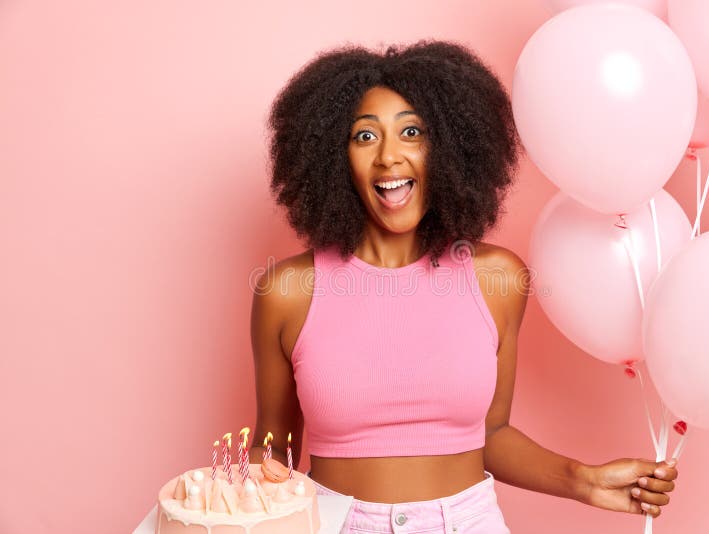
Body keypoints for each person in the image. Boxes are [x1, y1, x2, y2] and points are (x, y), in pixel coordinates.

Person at [248, 39, 678, 533]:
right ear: (332, 156)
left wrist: (583, 480)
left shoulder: (497, 279)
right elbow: (274, 447)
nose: (390, 156)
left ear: (450, 148)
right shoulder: (287, 291)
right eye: (364, 137)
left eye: (412, 132)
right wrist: (228, 506)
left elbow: (490, 433)